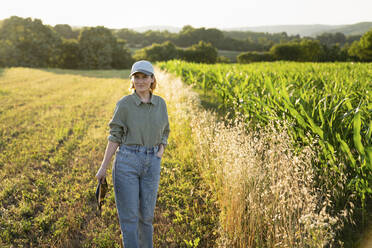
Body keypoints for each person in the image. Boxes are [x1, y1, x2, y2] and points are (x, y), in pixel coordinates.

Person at [95, 60, 170, 248]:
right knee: (129, 218)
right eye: (137, 77)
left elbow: (166, 131)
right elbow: (114, 136)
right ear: (132, 80)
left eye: (145, 77)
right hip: (127, 162)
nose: (141, 81)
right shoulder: (125, 104)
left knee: (146, 216)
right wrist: (103, 167)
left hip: (152, 162)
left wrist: (161, 149)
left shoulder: (160, 103)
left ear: (152, 79)